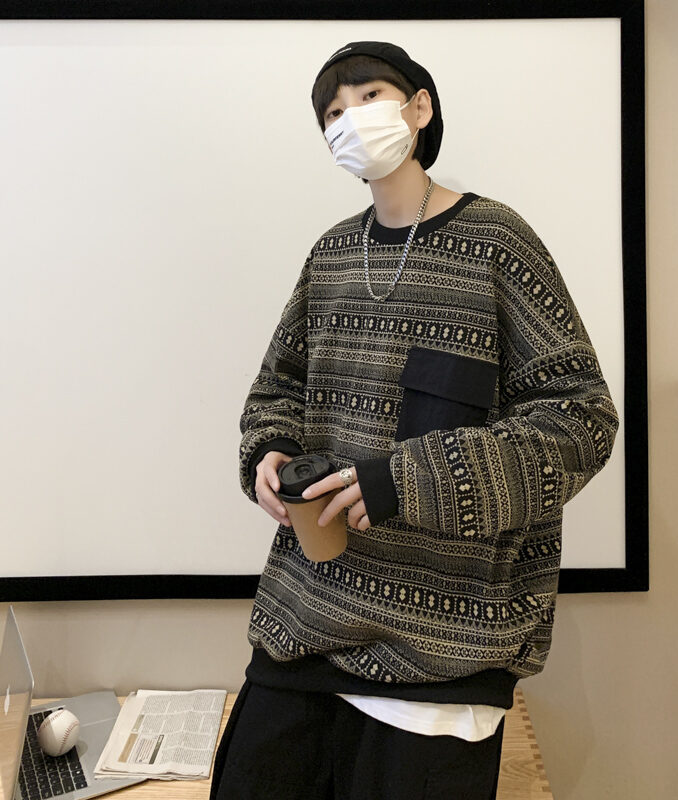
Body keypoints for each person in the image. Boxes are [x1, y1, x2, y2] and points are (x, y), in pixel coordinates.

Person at [211, 40, 619, 800]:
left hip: (447, 650)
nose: (350, 119)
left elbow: (581, 420)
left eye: (367, 97)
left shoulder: (498, 244)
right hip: (306, 622)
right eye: (332, 113)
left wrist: (407, 480)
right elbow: (277, 387)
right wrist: (268, 450)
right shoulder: (331, 256)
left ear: (419, 107)